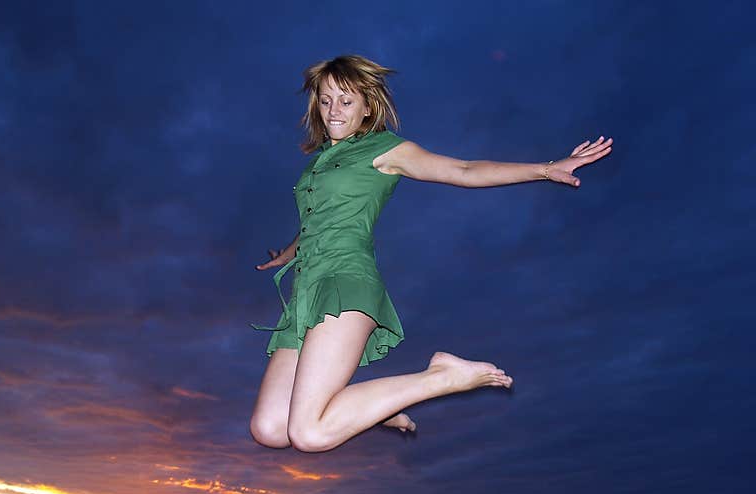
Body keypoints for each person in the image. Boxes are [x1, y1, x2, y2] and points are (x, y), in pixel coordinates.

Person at [250, 55, 612, 453]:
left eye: (346, 100)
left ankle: (441, 376)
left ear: (367, 105)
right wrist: (286, 254)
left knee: (309, 434)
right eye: (326, 100)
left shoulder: (385, 150)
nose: (334, 110)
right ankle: (373, 408)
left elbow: (464, 170)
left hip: (345, 283)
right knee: (269, 427)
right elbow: (315, 222)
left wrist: (546, 168)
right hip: (306, 290)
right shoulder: (319, 162)